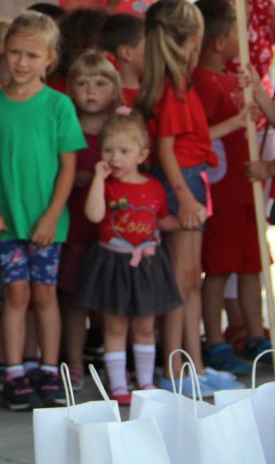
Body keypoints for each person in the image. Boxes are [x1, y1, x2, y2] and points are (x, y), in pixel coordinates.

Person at [0, 11, 86, 411]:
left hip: (47, 221)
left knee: (44, 294)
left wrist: (52, 216)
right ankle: (13, 372)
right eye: (15, 52)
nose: (21, 62)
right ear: (3, 53)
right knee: (15, 293)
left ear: (49, 59)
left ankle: (47, 368)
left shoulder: (58, 105)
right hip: (6, 222)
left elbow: (68, 166)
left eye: (31, 55)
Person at [134, 0, 232, 394]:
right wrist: (185, 198)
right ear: (193, 38)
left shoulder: (178, 87)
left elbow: (193, 140)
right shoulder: (173, 89)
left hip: (192, 180)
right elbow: (168, 151)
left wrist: (238, 121)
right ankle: (174, 367)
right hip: (183, 184)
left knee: (191, 278)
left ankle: (195, 364)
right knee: (181, 279)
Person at [79, 113, 183, 404]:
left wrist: (183, 221)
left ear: (142, 155)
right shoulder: (107, 186)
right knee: (115, 326)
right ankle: (118, 385)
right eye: (108, 150)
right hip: (114, 264)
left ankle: (146, 382)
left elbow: (160, 219)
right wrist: (98, 179)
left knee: (145, 327)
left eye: (124, 151)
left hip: (147, 265)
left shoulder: (154, 186)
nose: (115, 158)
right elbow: (94, 215)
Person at [193, 0, 269, 371]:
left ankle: (255, 335)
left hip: (245, 188)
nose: (244, 41)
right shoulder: (203, 82)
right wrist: (237, 123)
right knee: (219, 267)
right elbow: (197, 136)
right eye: (238, 34)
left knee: (251, 266)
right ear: (220, 42)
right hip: (221, 192)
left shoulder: (229, 78)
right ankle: (216, 340)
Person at [58, 50, 122, 392]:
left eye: (100, 83)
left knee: (112, 299)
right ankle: (74, 363)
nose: (91, 91)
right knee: (73, 298)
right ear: (71, 89)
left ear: (115, 88)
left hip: (113, 230)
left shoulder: (121, 127)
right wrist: (73, 178)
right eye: (82, 83)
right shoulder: (66, 125)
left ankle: (116, 365)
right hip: (75, 226)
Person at [99, 13, 146, 107]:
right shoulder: (107, 99)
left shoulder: (155, 93)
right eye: (149, 46)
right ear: (126, 53)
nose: (155, 52)